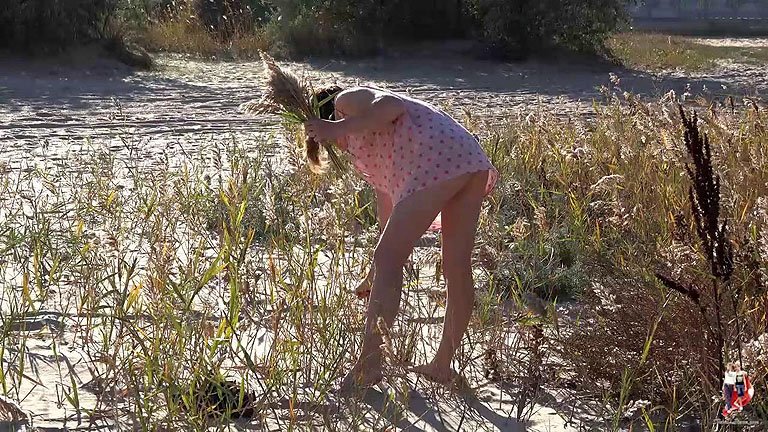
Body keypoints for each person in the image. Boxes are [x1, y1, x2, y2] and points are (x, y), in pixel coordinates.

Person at [303, 86, 498, 391]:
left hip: (439, 159)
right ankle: (441, 365)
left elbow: (391, 105)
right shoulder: (371, 142)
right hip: (467, 158)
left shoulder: (345, 102)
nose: (338, 144)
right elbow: (389, 212)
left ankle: (369, 365)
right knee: (455, 266)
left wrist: (336, 126)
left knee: (405, 260)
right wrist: (374, 271)